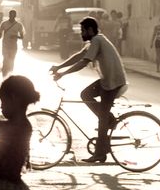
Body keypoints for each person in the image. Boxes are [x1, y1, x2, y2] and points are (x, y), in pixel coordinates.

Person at [50, 17, 128, 163]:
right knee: (86, 95)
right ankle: (108, 120)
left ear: (90, 30)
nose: (81, 34)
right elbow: (79, 56)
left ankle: (100, 152)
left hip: (113, 83)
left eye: (83, 31)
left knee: (102, 117)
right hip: (107, 81)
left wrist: (63, 74)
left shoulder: (97, 40)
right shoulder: (95, 41)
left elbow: (84, 62)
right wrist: (59, 67)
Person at [0, 10, 25, 78]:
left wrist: (16, 36)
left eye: (13, 15)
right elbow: (0, 34)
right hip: (5, 45)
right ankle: (4, 76)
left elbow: (22, 37)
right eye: (11, 15)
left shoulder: (19, 25)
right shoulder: (4, 23)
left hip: (13, 46)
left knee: (12, 60)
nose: (12, 16)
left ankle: (9, 75)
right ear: (9, 15)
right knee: (5, 60)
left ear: (15, 16)